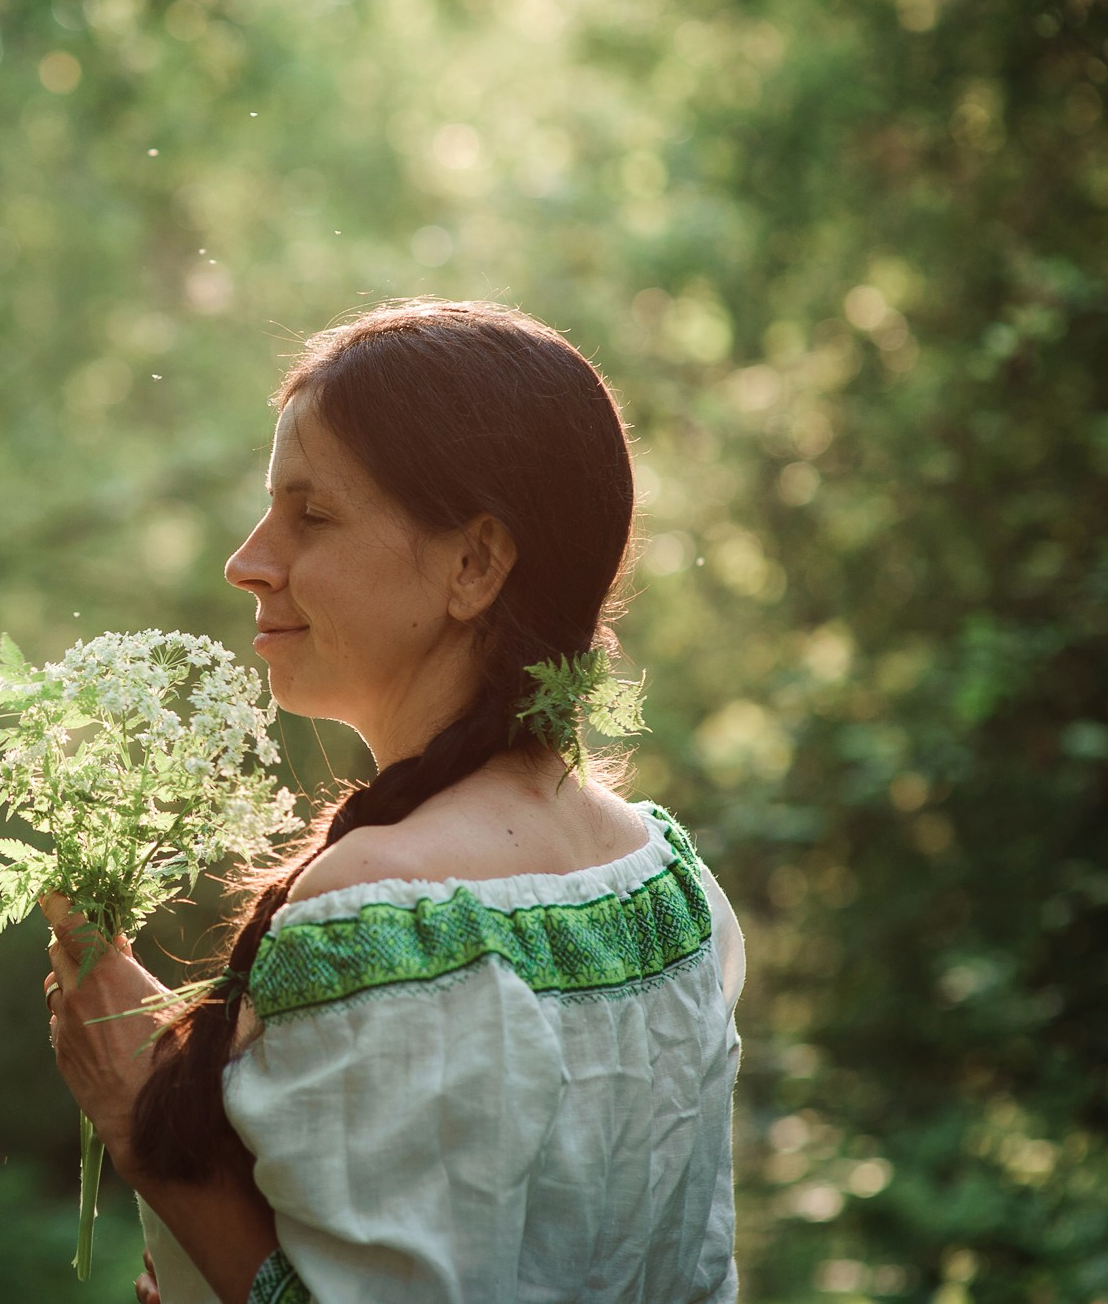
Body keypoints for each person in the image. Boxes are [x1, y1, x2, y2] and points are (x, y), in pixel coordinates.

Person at [38, 298, 747, 1304]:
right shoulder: (663, 879)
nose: (246, 560)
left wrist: (134, 1119)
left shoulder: (381, 911)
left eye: (310, 514)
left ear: (472, 562)